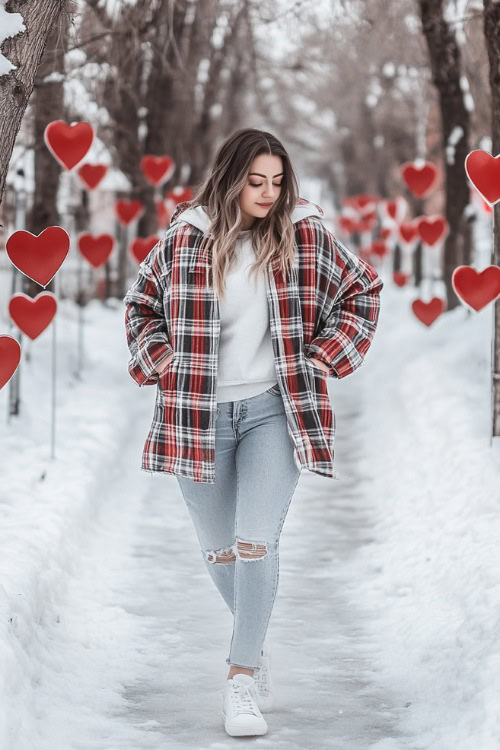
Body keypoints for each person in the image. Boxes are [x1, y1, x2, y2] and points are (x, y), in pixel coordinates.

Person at [123, 127, 384, 737]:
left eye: (276, 182)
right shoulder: (186, 240)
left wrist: (328, 353)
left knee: (254, 544)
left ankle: (241, 677)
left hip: (275, 409)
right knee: (218, 552)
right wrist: (158, 354)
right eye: (255, 181)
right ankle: (256, 637)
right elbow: (140, 306)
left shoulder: (306, 235)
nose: (267, 194)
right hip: (197, 415)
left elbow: (363, 290)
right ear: (230, 178)